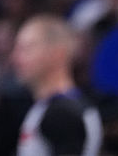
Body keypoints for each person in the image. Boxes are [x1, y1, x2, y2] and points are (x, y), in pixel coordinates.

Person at [11, 14, 102, 156]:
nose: (15, 57)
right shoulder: (55, 106)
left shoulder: (62, 114)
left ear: (57, 54)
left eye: (26, 49)